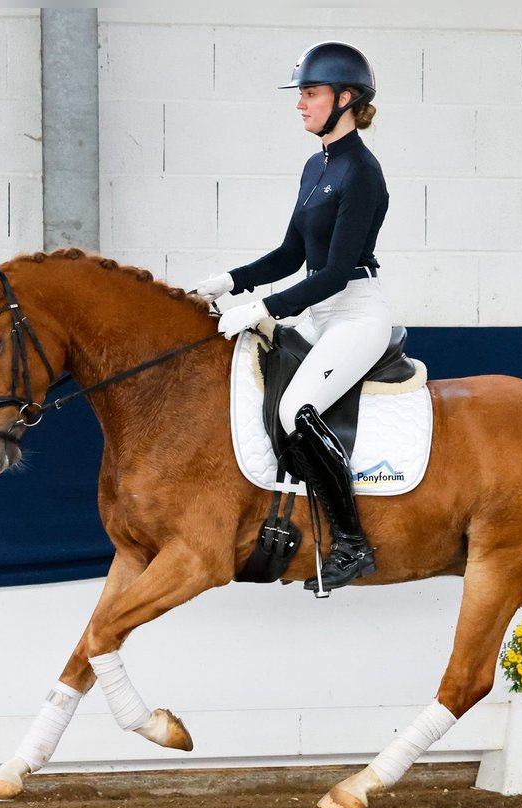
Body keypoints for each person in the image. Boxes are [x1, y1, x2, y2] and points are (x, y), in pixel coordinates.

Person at [196, 41, 391, 593]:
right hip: (319, 312)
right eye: (301, 94)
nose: (300, 104)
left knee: (296, 409)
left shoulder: (363, 173)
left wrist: (262, 308)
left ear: (346, 98)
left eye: (310, 94)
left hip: (354, 313)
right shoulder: (316, 165)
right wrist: (230, 282)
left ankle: (352, 544)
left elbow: (332, 273)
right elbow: (290, 256)